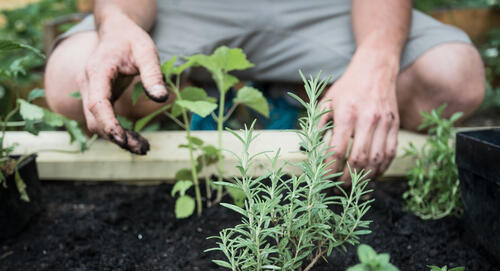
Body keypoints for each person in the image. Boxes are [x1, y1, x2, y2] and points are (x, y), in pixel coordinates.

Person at [44, 0, 485, 185]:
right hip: (186, 9)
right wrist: (119, 22)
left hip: (324, 11)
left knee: (453, 77)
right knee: (70, 81)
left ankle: (301, 92)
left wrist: (378, 60)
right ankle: (228, 93)